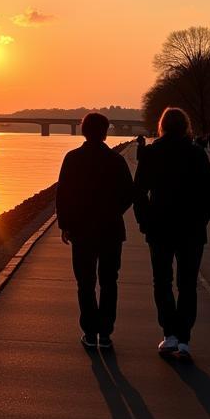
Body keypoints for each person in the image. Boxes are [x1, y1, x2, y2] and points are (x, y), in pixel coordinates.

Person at [133, 107, 210, 361]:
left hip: (159, 228)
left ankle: (169, 333)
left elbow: (138, 193)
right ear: (186, 127)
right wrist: (201, 220)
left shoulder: (151, 153)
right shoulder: (197, 154)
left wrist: (145, 222)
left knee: (162, 282)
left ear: (162, 126)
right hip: (191, 230)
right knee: (188, 284)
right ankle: (184, 339)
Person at [56, 112, 135, 351]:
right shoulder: (116, 160)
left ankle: (90, 332)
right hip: (111, 229)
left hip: (81, 230)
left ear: (83, 131)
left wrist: (65, 224)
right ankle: (106, 333)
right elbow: (128, 194)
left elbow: (63, 195)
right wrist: (114, 212)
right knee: (110, 282)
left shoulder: (72, 158)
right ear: (105, 132)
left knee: (86, 282)